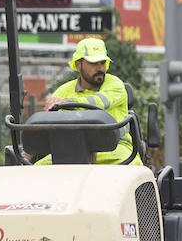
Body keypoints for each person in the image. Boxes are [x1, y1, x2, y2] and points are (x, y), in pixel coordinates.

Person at [37, 37, 141, 166]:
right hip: (72, 152)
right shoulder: (63, 91)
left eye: (102, 62)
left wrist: (68, 102)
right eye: (94, 63)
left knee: (135, 171)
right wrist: (25, 156)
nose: (100, 68)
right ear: (78, 65)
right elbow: (45, 124)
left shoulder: (115, 84)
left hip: (116, 150)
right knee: (36, 169)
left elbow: (99, 102)